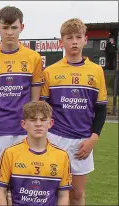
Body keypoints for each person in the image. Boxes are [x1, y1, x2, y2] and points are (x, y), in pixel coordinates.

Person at [40, 18, 108, 205]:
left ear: (85, 40)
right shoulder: (51, 72)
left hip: (82, 142)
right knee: (52, 191)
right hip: (55, 138)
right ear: (62, 42)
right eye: (69, 38)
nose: (74, 41)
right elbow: (44, 109)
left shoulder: (96, 71)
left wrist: (93, 138)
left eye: (78, 37)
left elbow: (101, 109)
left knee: (77, 194)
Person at [0, 6, 44, 162]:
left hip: (22, 127)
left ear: (21, 27)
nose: (9, 32)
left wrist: (33, 123)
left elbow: (35, 99)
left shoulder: (33, 58)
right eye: (5, 27)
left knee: (21, 179)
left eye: (14, 27)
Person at [0, 101, 71, 205]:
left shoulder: (62, 156)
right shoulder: (10, 153)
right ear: (23, 124)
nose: (38, 124)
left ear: (51, 123)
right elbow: (0, 190)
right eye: (33, 120)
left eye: (43, 120)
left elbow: (64, 195)